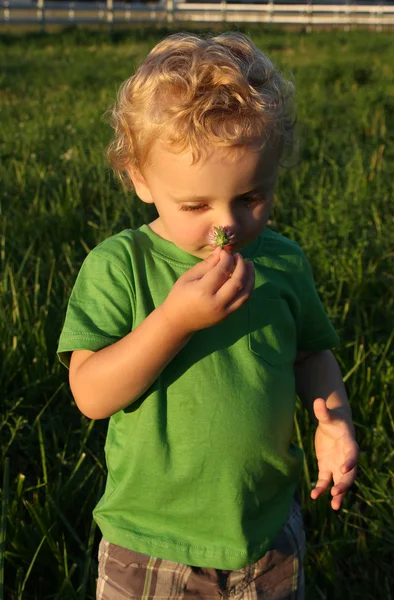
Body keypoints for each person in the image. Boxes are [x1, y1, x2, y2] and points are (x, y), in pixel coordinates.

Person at [57, 31, 358, 600]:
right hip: (151, 541)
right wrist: (173, 321)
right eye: (195, 206)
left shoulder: (283, 262)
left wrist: (332, 421)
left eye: (251, 198)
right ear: (139, 179)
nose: (228, 226)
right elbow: (91, 396)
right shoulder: (120, 266)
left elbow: (311, 353)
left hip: (266, 534)